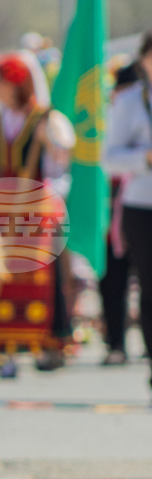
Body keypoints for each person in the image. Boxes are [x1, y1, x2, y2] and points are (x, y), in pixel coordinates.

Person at [0, 51, 76, 376]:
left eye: (1, 81)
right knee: (1, 275)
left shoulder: (44, 120)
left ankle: (42, 343)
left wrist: (50, 143)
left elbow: (60, 164)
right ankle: (4, 349)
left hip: (35, 211)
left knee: (37, 278)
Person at [103, 31, 152, 393]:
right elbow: (109, 157)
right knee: (148, 290)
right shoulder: (131, 102)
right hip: (142, 205)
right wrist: (144, 158)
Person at [99, 60, 142, 365]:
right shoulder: (107, 120)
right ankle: (116, 343)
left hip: (141, 205)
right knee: (112, 280)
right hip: (110, 205)